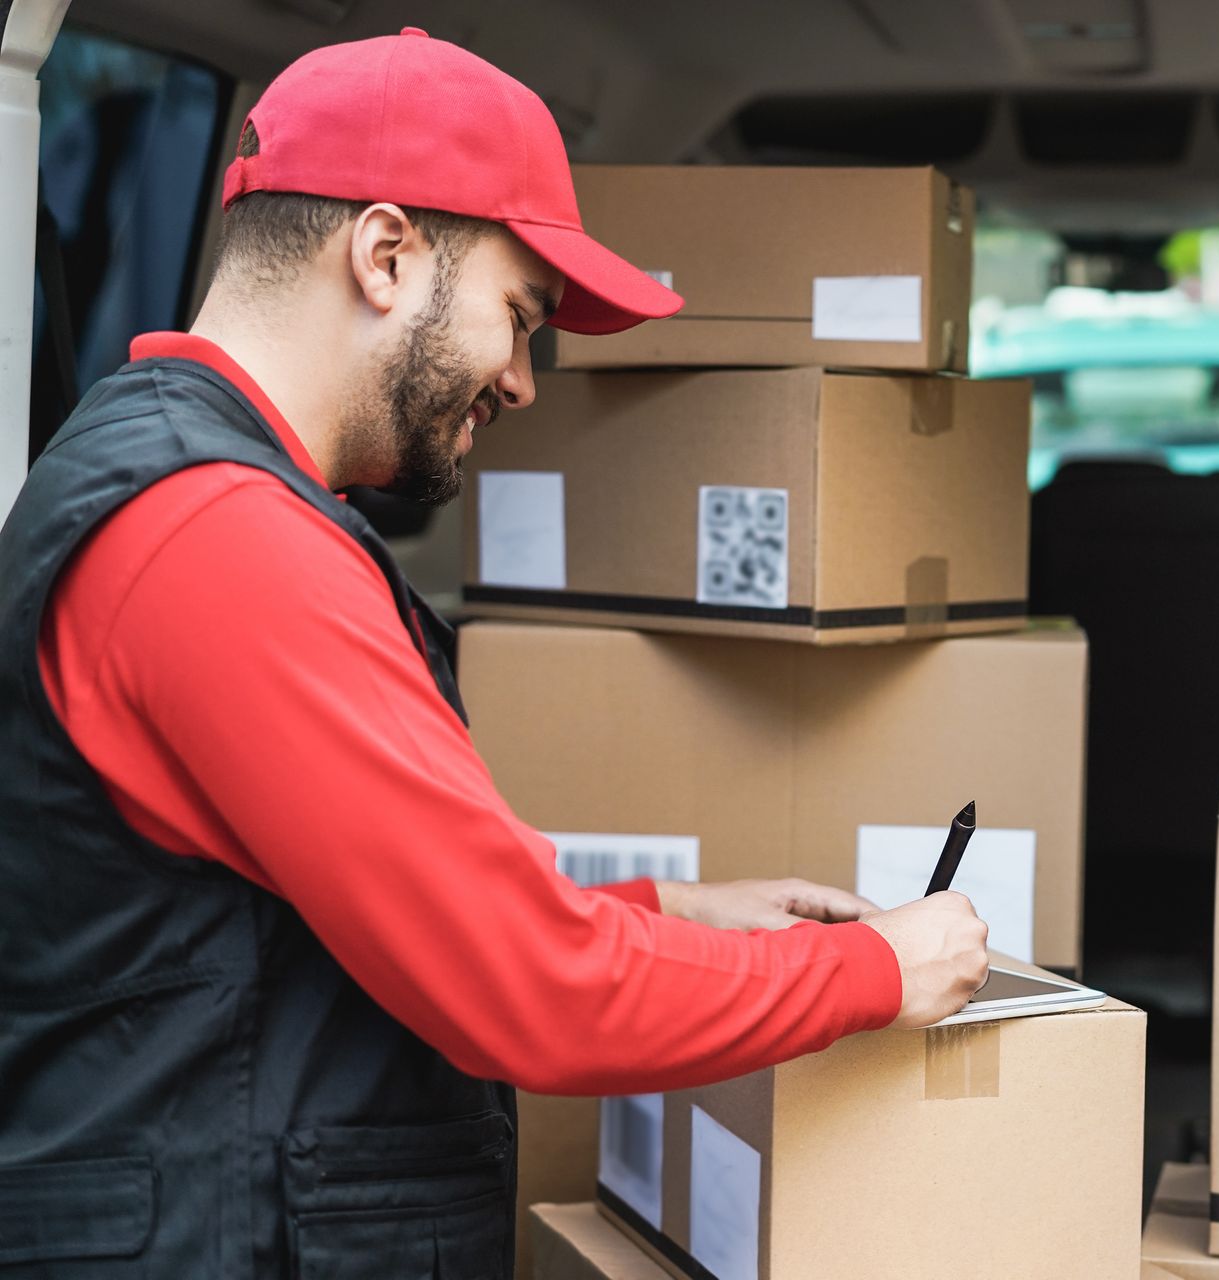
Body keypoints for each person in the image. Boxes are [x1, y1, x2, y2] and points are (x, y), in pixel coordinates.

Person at [0, 27, 988, 1278]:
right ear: (386, 252)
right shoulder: (219, 538)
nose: (523, 381)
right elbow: (531, 988)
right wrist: (874, 968)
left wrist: (670, 912)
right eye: (518, 317)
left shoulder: (178, 484)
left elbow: (316, 940)